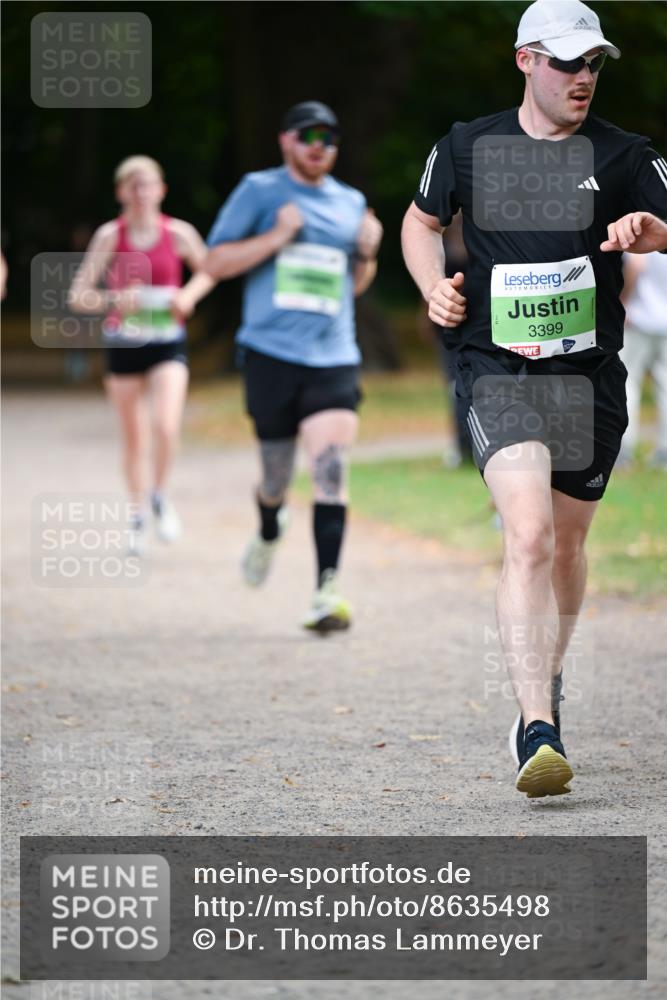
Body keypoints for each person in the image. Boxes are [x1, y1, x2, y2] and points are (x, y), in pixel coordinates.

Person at [401, 0, 667, 797]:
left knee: (566, 545)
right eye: (564, 62)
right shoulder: (466, 146)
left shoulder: (623, 155)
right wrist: (430, 290)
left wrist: (649, 230)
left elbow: (666, 220)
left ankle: (540, 690)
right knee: (526, 537)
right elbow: (419, 223)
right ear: (525, 60)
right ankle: (538, 732)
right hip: (499, 368)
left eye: (591, 64)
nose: (581, 77)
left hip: (587, 377)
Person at [173, 101, 383, 632]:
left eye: (330, 138)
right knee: (275, 477)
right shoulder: (259, 191)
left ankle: (326, 591)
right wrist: (276, 236)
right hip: (270, 356)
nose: (320, 145)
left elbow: (354, 285)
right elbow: (213, 264)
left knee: (331, 474)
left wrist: (368, 253)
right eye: (310, 135)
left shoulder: (351, 202)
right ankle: (269, 525)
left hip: (333, 357)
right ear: (286, 140)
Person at [69, 155, 209, 554]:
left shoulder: (179, 234)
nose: (142, 192)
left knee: (166, 426)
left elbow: (210, 269)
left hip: (168, 342)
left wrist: (188, 295)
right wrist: (114, 299)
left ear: (161, 190)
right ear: (122, 192)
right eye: (134, 185)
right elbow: (79, 296)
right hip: (125, 344)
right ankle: (136, 514)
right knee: (134, 439)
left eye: (148, 184)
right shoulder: (110, 236)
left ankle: (160, 496)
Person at [618, 252, 667, 467]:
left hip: (640, 319)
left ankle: (624, 451)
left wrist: (623, 301)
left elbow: (635, 264)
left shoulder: (644, 221)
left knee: (628, 385)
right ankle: (664, 453)